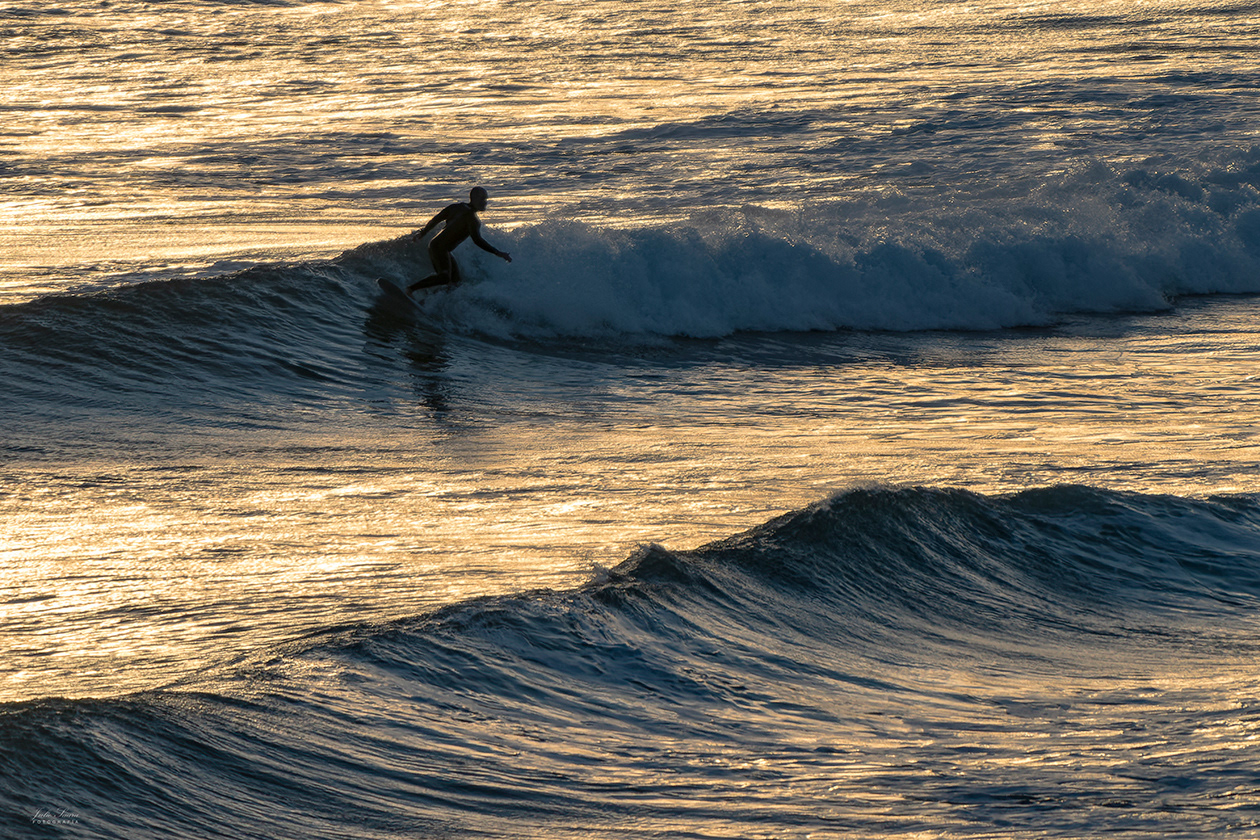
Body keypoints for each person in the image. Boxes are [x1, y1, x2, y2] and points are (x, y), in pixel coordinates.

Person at [407, 186, 512, 294]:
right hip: (439, 248)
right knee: (444, 278)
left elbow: (436, 219)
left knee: (456, 282)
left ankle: (432, 300)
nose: (485, 202)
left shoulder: (456, 207)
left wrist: (423, 233)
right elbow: (478, 241)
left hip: (439, 247)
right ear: (474, 198)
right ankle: (410, 289)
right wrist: (498, 253)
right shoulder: (472, 219)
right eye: (482, 199)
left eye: (486, 199)